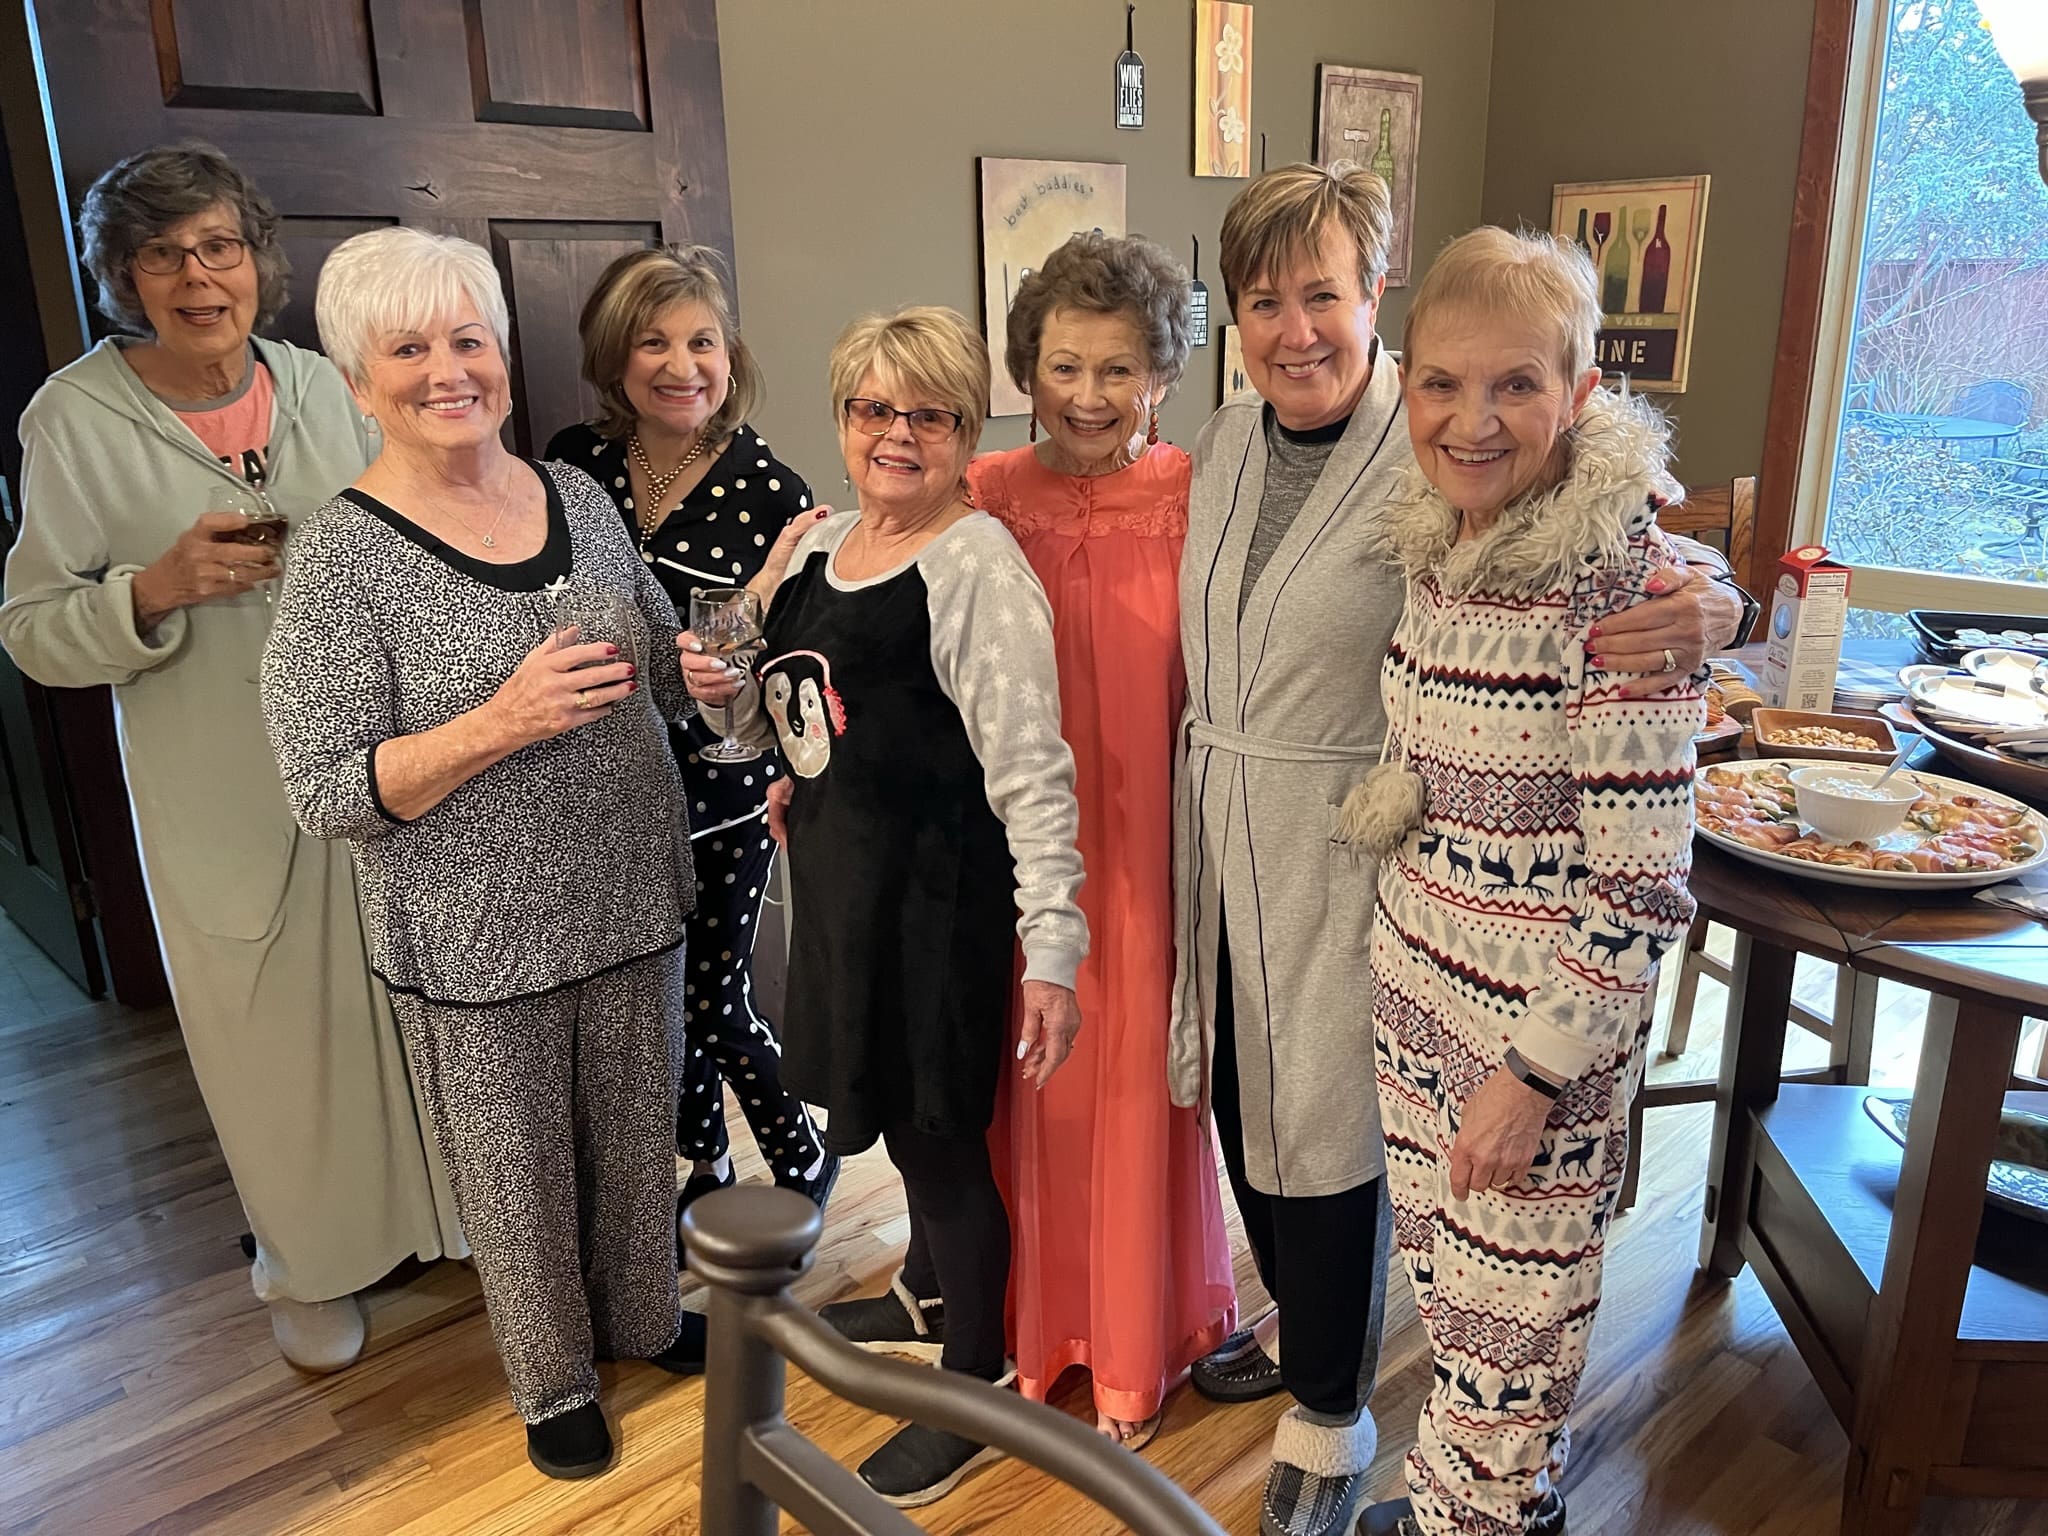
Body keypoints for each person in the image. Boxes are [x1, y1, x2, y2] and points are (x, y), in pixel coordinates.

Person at [1164, 163, 1747, 1536]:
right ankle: (1464, 1490)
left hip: (1469, 973)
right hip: (1384, 934)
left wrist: (1712, 595)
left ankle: (1387, 1446)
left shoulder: (1524, 517)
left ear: (1376, 298)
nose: (1294, 329)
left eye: (1322, 294)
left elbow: (1637, 872)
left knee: (1493, 1310)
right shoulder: (1361, 499)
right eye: (1263, 300)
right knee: (1436, 1274)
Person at [0, 142, 461, 1374]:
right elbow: (31, 630)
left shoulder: (325, 385)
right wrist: (151, 591)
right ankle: (307, 1264)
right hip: (218, 788)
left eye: (218, 247)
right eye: (161, 256)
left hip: (375, 760)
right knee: (271, 1040)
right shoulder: (73, 419)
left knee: (412, 1004)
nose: (198, 278)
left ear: (257, 257)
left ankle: (446, 1223)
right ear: (123, 279)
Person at [261, 226, 706, 1480]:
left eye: (468, 339)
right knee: (516, 1176)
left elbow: (657, 662)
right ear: (359, 382)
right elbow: (326, 789)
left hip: (630, 888)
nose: (448, 370)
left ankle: (644, 1316)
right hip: (474, 935)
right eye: (408, 349)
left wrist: (701, 670)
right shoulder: (340, 557)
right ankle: (553, 1379)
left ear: (503, 357)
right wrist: (498, 722)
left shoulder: (576, 497)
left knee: (637, 1135)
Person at [679, 305, 1086, 1509]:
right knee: (898, 1123)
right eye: (872, 409)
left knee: (938, 1136)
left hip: (935, 909)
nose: (895, 435)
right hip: (841, 894)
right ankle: (928, 1292)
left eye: (929, 415)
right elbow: (768, 722)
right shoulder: (816, 548)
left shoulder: (974, 566)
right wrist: (730, 702)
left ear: (967, 434)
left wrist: (1052, 947)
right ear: (842, 417)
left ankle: (976, 1377)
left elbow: (1032, 769)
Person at [1352, 227, 1702, 1536]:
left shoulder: (1624, 586)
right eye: (1443, 383)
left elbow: (1640, 895)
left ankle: (1479, 1517)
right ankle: (1477, 1504)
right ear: (1406, 384)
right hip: (1419, 993)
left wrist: (1532, 1077)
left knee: (1513, 1339)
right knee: (1455, 1303)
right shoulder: (1440, 540)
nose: (1473, 418)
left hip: (1530, 1044)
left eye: (1515, 384)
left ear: (1581, 391)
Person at [966, 232, 1236, 1447]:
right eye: (1063, 367)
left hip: (1152, 855)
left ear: (1161, 375)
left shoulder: (1201, 495)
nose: (1086, 395)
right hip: (1013, 856)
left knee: (1132, 1082)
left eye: (1116, 369)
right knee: (1025, 1084)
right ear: (1027, 368)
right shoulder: (980, 493)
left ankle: (1132, 1342)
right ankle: (1025, 1326)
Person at [544, 245, 837, 1221]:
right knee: (654, 996)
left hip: (723, 783)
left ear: (730, 353)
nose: (682, 366)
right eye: (653, 343)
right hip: (605, 774)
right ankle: (705, 1163)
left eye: (702, 341)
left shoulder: (771, 490)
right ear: (614, 357)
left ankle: (799, 1154)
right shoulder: (574, 465)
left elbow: (782, 657)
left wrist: (746, 621)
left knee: (711, 996)